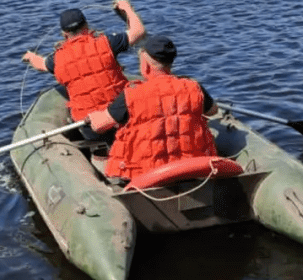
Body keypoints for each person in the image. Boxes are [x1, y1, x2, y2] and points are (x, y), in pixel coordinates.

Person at [87, 34, 218, 181]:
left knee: (101, 157)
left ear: (146, 64)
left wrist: (93, 117)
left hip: (146, 176)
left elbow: (99, 126)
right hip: (191, 170)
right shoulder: (193, 87)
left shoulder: (132, 94)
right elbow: (213, 110)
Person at [22, 0, 145, 124]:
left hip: (89, 125)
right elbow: (138, 31)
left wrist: (30, 57)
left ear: (64, 34)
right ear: (86, 25)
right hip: (121, 116)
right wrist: (127, 8)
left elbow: (40, 64)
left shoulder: (57, 58)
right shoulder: (107, 43)